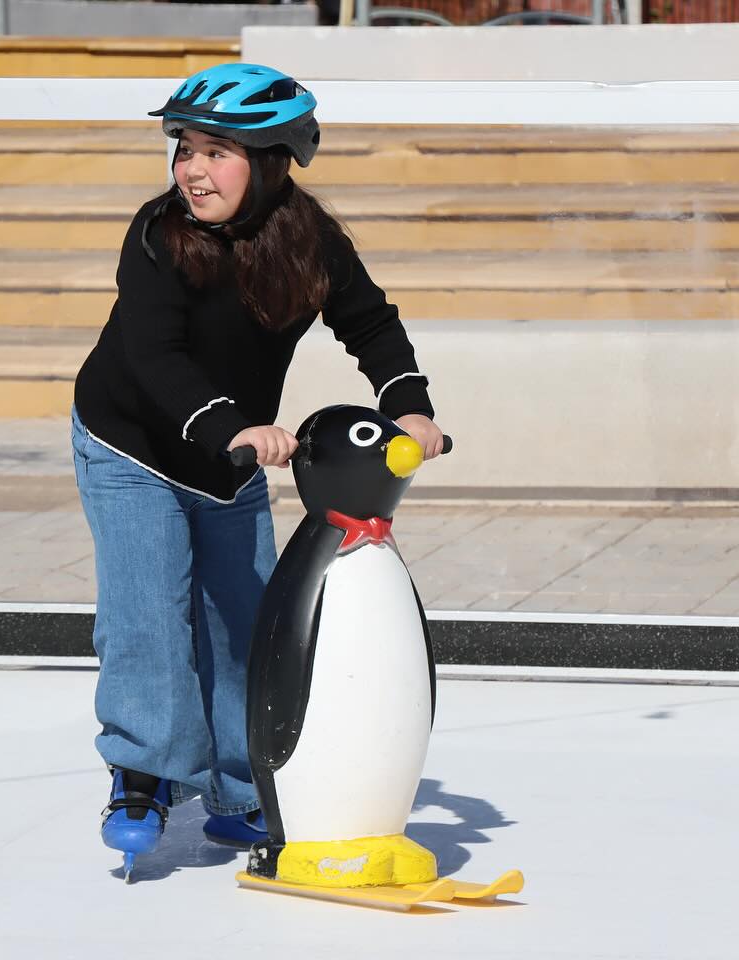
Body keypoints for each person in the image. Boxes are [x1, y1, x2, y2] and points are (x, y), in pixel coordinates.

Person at [71, 62, 446, 872]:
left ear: (274, 160)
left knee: (243, 622)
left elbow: (371, 325)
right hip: (129, 442)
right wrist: (234, 425)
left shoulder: (310, 240)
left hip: (226, 461)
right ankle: (142, 771)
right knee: (148, 613)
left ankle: (242, 788)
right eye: (185, 149)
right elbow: (155, 356)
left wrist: (407, 403)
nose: (192, 171)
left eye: (217, 152)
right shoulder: (156, 235)